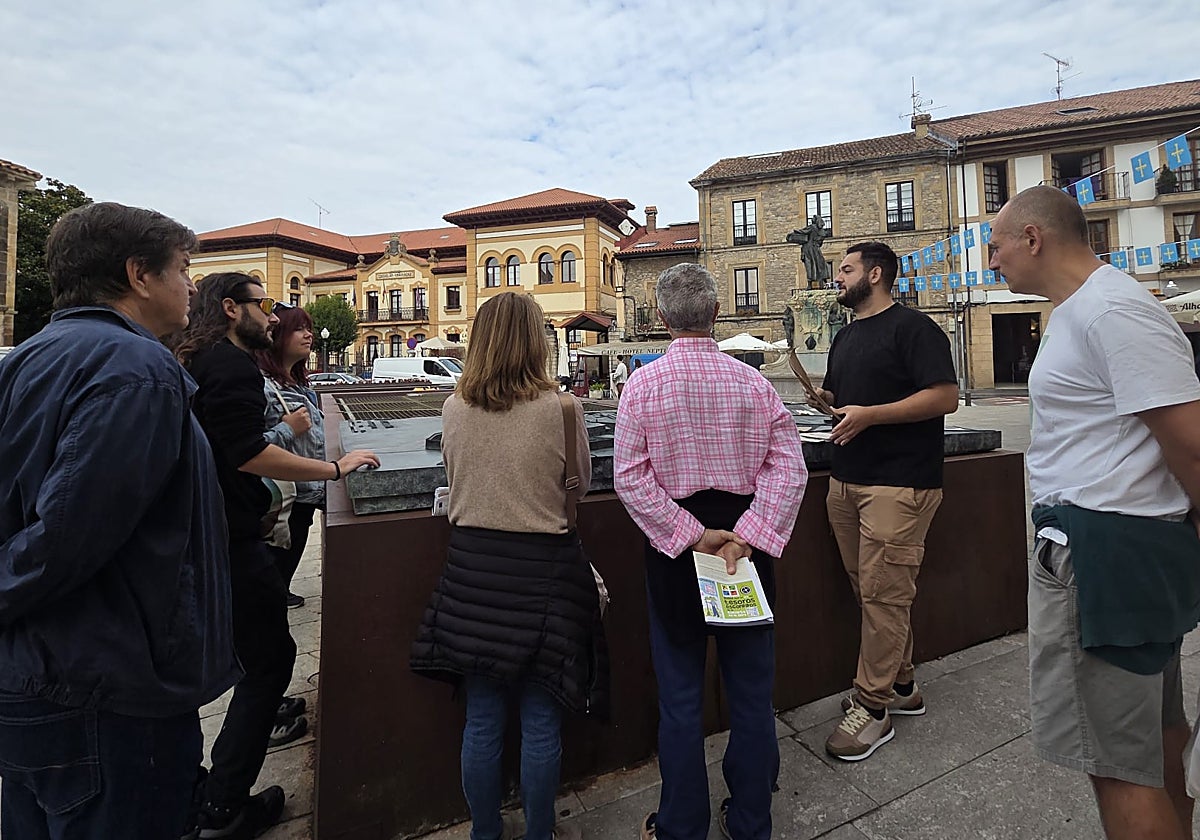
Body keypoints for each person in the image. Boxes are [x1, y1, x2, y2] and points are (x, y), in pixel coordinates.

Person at [0, 202, 240, 839]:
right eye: (183, 269)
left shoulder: (28, 357)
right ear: (139, 275)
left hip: (41, 679)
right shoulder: (138, 371)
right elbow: (68, 535)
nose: (193, 286)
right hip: (106, 691)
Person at [991, 185, 1200, 840]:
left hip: (1103, 558)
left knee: (1116, 767)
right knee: (1156, 738)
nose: (991, 263)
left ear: (1033, 237)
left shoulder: (1110, 310)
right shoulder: (1090, 308)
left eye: (995, 247)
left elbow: (1191, 443)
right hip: (1121, 548)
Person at [174, 273, 379, 839]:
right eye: (265, 306)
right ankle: (222, 805)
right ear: (231, 309)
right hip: (233, 540)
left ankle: (195, 789)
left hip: (211, 535)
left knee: (234, 659)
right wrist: (334, 469)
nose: (273, 317)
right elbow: (248, 452)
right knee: (269, 661)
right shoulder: (232, 365)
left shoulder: (201, 360)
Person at [614, 263, 806, 840]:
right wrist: (748, 534)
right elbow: (789, 470)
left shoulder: (642, 386)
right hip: (743, 551)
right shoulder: (756, 384)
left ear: (663, 317)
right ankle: (750, 823)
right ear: (716, 315)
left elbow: (630, 476)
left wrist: (689, 534)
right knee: (751, 696)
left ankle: (680, 827)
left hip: (678, 550)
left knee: (680, 700)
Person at [411, 292, 604, 840]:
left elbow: (454, 474)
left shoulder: (453, 407)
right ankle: (540, 832)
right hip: (544, 576)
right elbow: (581, 487)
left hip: (472, 575)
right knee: (542, 718)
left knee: (482, 718)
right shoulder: (563, 408)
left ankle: (484, 832)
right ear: (536, 341)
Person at [809, 241, 958, 762]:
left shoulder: (916, 329)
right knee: (874, 590)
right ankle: (902, 685)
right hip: (847, 480)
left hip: (900, 483)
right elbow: (840, 394)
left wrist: (870, 415)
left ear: (875, 274)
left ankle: (872, 709)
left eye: (845, 270)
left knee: (883, 594)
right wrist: (823, 400)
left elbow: (945, 397)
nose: (838, 278)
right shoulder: (845, 337)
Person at [255, 303, 323, 611]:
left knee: (291, 550)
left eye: (309, 328)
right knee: (278, 553)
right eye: (298, 328)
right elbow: (250, 448)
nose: (308, 334)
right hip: (286, 493)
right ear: (277, 335)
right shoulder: (264, 387)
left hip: (306, 492)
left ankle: (279, 593)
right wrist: (287, 429)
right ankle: (272, 597)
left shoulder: (297, 383)